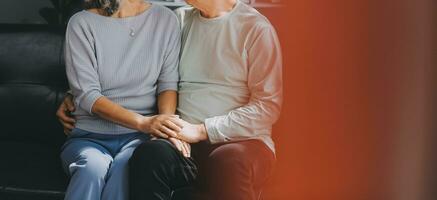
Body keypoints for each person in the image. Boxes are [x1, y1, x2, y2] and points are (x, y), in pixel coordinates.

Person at [57, 0, 282, 199]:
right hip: (183, 139)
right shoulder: (181, 19)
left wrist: (203, 130)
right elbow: (146, 71)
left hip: (241, 141)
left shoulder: (255, 28)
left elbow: (268, 107)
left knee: (229, 162)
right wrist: (74, 95)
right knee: (149, 155)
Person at [56, 0, 190, 199]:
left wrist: (164, 127)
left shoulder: (165, 20)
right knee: (91, 168)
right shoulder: (81, 23)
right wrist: (144, 122)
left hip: (139, 138)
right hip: (89, 136)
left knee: (126, 168)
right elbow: (87, 95)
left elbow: (167, 84)